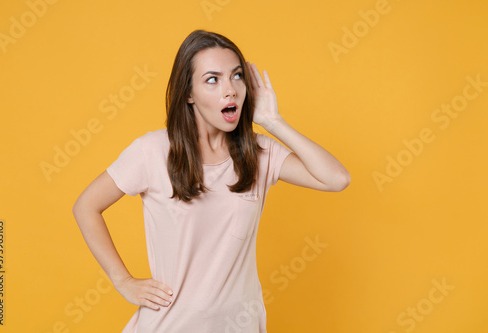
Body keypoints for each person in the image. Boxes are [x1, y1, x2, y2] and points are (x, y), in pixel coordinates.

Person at [72, 29, 350, 332]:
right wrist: (123, 281)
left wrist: (272, 121)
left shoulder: (258, 154)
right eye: (213, 79)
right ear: (189, 93)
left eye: (237, 76)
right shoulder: (152, 151)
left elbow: (336, 179)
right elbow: (86, 206)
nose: (230, 90)